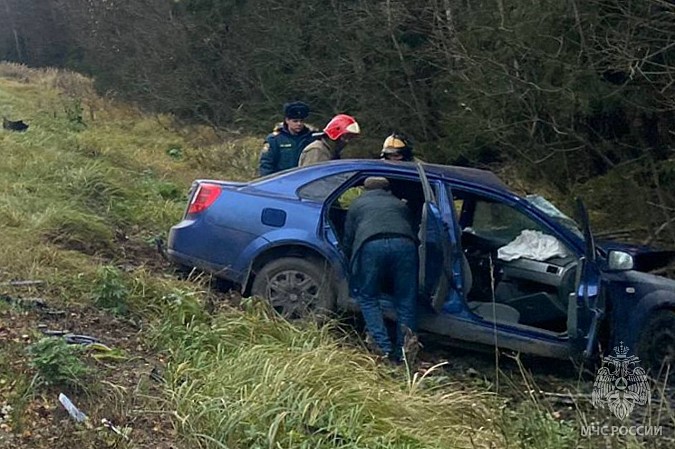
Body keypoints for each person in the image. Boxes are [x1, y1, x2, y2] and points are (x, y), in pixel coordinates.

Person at [343, 176, 418, 361]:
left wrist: (347, 260)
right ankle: (405, 350)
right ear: (387, 190)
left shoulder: (357, 204)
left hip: (371, 245)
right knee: (406, 299)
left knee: (368, 296)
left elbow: (348, 237)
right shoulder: (400, 205)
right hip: (405, 246)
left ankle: (382, 347)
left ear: (365, 189)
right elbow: (413, 227)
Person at [259, 101, 316, 176]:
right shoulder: (274, 139)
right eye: (295, 121)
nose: (299, 124)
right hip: (282, 180)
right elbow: (266, 163)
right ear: (287, 120)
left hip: (306, 178)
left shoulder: (312, 138)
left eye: (301, 121)